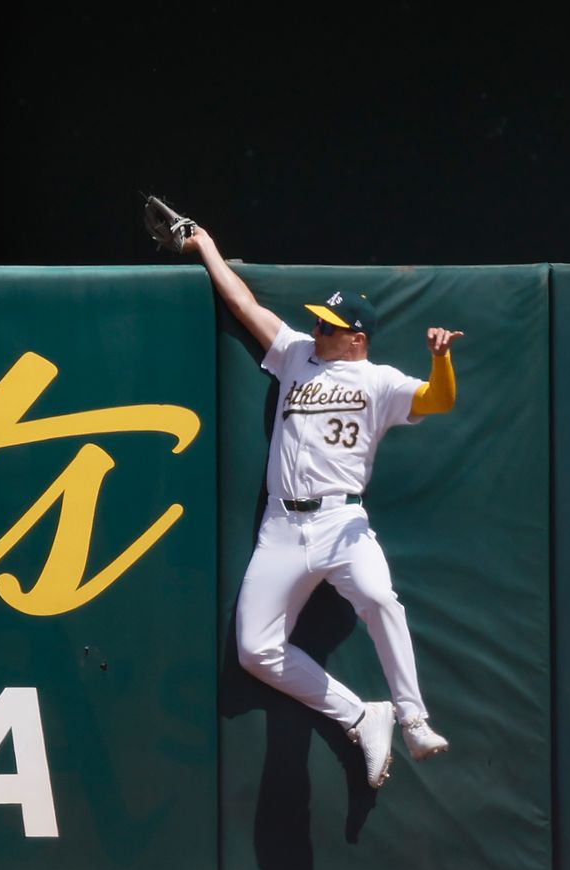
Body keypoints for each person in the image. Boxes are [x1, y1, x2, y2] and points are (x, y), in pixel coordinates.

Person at [182, 225, 462, 789]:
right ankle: (361, 714)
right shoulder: (293, 355)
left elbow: (439, 400)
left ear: (356, 339)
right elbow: (240, 301)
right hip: (282, 525)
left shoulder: (378, 380)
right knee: (254, 650)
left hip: (341, 520)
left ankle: (412, 718)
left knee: (381, 598)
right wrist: (205, 243)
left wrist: (440, 360)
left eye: (331, 327)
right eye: (318, 320)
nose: (317, 328)